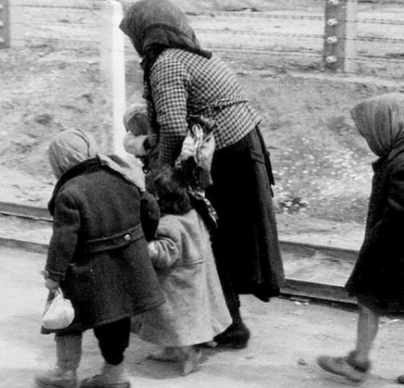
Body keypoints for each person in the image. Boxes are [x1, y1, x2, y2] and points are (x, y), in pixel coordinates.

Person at [120, 0, 284, 349]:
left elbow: (174, 129)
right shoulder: (194, 56)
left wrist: (162, 177)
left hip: (223, 156)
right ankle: (226, 322)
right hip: (240, 148)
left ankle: (226, 325)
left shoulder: (166, 63)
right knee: (220, 237)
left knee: (207, 236)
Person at [316, 93, 404, 387]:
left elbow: (402, 216)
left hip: (397, 251)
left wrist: (376, 239)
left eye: (371, 133)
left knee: (368, 302)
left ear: (387, 129)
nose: (370, 140)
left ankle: (358, 363)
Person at [35, 128, 165, 388]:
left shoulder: (69, 193)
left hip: (85, 272)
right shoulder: (121, 173)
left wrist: (53, 276)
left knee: (66, 320)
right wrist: (142, 242)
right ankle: (114, 376)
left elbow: (63, 240)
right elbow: (150, 208)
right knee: (116, 322)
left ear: (60, 163)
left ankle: (65, 372)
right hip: (127, 266)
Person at [132, 165, 232, 376]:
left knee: (179, 325)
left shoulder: (168, 226)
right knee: (172, 326)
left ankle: (190, 353)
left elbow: (165, 253)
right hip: (194, 279)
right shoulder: (193, 213)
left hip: (178, 287)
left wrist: (145, 247)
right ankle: (170, 350)